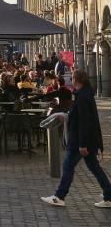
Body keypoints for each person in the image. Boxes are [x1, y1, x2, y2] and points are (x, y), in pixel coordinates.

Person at [41, 69, 111, 208]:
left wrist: (82, 144)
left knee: (68, 166)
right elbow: (80, 115)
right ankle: (109, 195)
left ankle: (59, 196)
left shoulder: (82, 96)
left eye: (72, 78)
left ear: (76, 80)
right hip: (87, 139)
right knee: (94, 167)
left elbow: (85, 121)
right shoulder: (84, 94)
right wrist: (67, 115)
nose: (71, 80)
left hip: (80, 141)